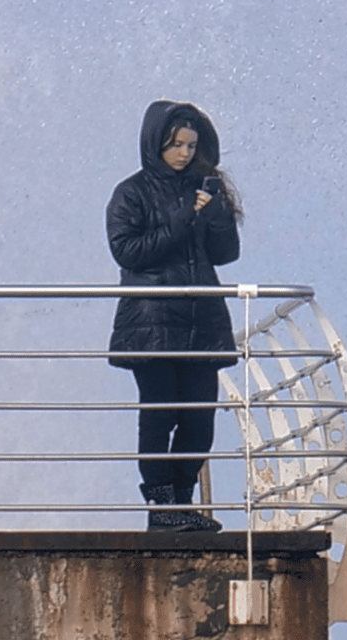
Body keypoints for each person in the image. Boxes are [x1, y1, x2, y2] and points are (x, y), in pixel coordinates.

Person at [106, 99, 243, 532]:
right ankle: (161, 505)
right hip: (151, 324)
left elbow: (226, 254)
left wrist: (217, 215)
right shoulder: (131, 193)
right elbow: (127, 251)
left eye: (191, 145)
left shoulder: (204, 188)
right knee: (160, 414)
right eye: (176, 144)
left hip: (202, 322)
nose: (184, 153)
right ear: (155, 143)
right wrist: (184, 219)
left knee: (200, 419)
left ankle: (182, 502)